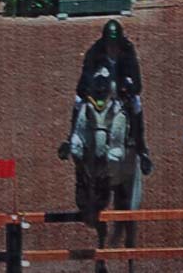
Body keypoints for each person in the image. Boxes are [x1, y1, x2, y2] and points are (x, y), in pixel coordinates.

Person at [59, 19, 153, 175]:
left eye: (115, 45)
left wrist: (130, 87)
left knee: (136, 103)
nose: (112, 48)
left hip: (120, 94)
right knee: (77, 101)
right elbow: (86, 75)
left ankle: (142, 150)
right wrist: (86, 87)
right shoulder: (94, 51)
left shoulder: (128, 51)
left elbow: (137, 81)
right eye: (110, 44)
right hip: (100, 95)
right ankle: (70, 138)